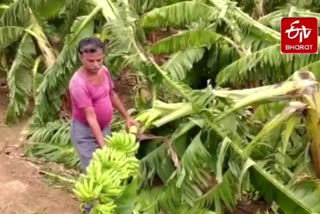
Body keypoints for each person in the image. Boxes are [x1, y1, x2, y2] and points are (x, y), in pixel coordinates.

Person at [69, 37, 139, 213]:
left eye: (99, 60)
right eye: (90, 61)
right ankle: (91, 210)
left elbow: (112, 95)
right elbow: (90, 116)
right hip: (86, 134)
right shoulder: (78, 84)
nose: (96, 64)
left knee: (110, 174)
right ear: (81, 58)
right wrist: (102, 145)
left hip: (105, 128)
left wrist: (127, 117)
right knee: (95, 176)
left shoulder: (104, 71)